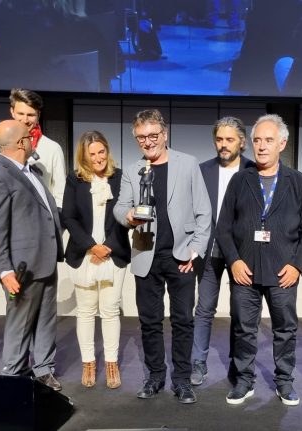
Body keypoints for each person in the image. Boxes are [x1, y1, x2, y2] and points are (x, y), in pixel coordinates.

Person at [215, 114, 302, 406]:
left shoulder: (297, 181)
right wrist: (233, 261)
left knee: (285, 329)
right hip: (244, 271)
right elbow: (223, 228)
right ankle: (243, 381)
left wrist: (297, 265)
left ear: (282, 144)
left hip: (283, 270)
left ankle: (284, 381)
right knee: (243, 328)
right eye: (257, 140)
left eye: (269, 140)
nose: (261, 146)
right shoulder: (240, 180)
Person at [113, 109, 212, 404]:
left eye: (153, 135)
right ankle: (155, 376)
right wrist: (128, 216)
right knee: (149, 321)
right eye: (141, 137)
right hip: (145, 254)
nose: (147, 141)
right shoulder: (133, 170)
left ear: (164, 134)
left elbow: (204, 212)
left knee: (183, 321)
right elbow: (119, 207)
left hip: (181, 256)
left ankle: (182, 381)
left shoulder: (188, 163)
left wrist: (195, 250)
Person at [0, 119, 64, 391]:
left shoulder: (32, 171)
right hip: (21, 268)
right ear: (20, 143)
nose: (33, 140)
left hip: (45, 261)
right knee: (20, 324)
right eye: (30, 137)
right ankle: (13, 377)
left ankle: (43, 369)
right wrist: (4, 270)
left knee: (45, 319)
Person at [61, 131, 131, 389]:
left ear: (107, 152)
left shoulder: (120, 177)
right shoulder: (74, 179)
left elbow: (125, 215)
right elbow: (68, 217)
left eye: (101, 152)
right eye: (92, 154)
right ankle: (88, 363)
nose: (98, 157)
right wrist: (91, 246)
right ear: (84, 156)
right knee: (87, 311)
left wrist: (107, 247)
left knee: (111, 310)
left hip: (114, 253)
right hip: (84, 254)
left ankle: (111, 363)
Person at [190, 116, 255, 386]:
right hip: (209, 251)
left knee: (240, 311)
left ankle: (236, 364)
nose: (224, 145)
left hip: (241, 253)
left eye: (229, 139)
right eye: (219, 139)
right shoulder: (202, 170)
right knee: (204, 309)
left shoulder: (253, 171)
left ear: (242, 142)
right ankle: (198, 363)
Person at [0, 88, 66, 210]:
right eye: (20, 114)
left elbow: (61, 194)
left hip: (40, 220)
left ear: (38, 115)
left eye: (30, 115)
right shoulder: (0, 142)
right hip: (8, 215)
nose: (25, 120)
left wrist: (55, 225)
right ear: (12, 112)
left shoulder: (52, 148)